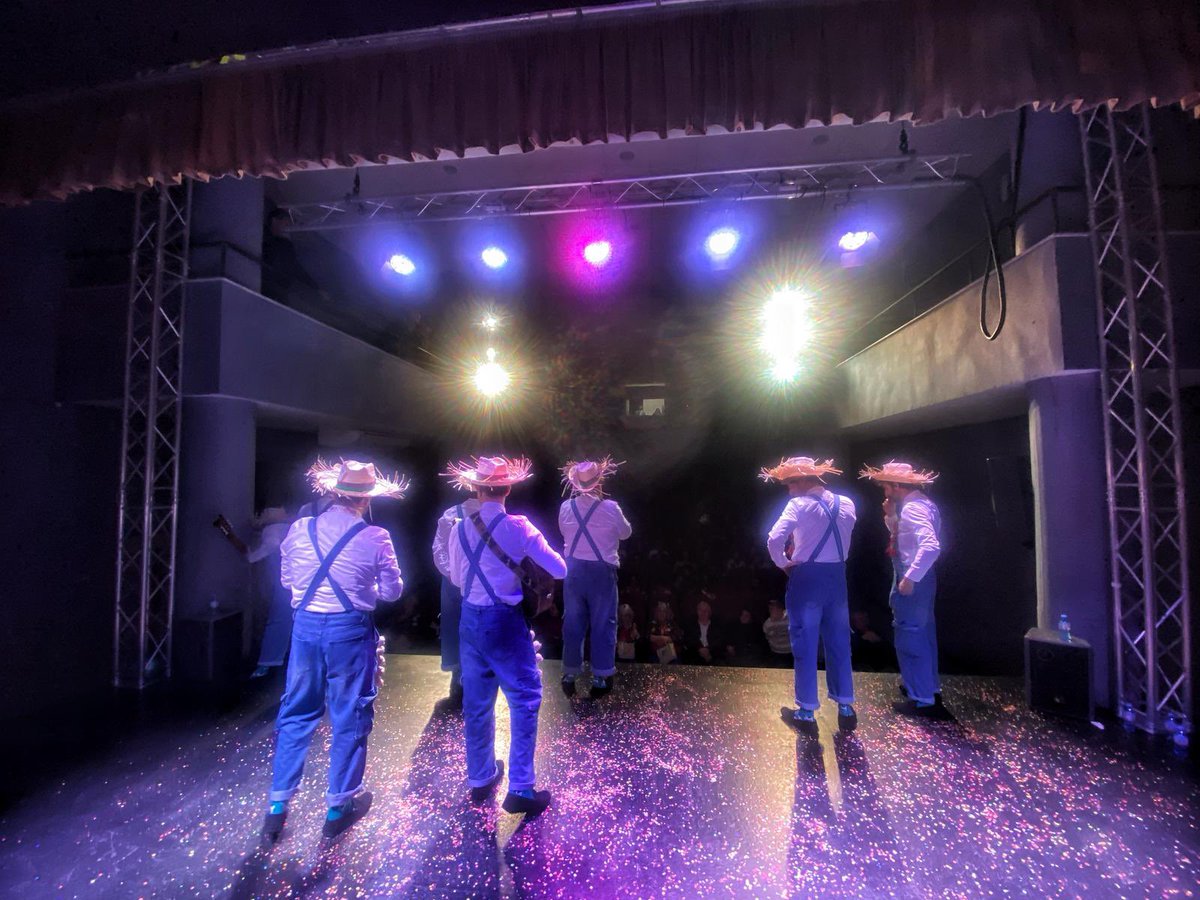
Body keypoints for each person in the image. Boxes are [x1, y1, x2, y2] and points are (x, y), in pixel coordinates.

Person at [261, 459, 407, 845]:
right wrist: (363, 592)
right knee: (350, 713)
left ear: (334, 491)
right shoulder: (376, 537)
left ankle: (277, 806)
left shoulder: (299, 528)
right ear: (367, 499)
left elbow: (287, 581)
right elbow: (392, 592)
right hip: (349, 630)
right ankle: (338, 806)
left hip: (306, 627)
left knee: (296, 712)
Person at [445, 456, 567, 816]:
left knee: (477, 702)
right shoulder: (519, 527)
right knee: (525, 698)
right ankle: (521, 788)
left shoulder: (458, 528)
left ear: (476, 489)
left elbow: (455, 577)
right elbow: (558, 568)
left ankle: (481, 778)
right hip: (504, 619)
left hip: (469, 620)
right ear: (508, 488)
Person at [763, 456, 858, 731]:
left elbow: (773, 539)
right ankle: (845, 705)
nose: (789, 489)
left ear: (805, 481)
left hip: (807, 578)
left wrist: (783, 564)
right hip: (838, 577)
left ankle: (806, 711)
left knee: (805, 642)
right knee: (839, 641)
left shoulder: (798, 504)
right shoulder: (848, 503)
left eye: (791, 483)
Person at [859, 461, 944, 717]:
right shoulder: (921, 504)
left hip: (913, 578)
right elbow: (903, 537)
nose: (883, 488)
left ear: (897, 485)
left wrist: (910, 578)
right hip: (921, 577)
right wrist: (891, 516)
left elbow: (930, 546)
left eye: (886, 484)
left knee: (910, 636)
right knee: (924, 634)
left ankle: (921, 699)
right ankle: (927, 688)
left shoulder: (914, 509)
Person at [558, 458, 633, 698]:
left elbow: (563, 531)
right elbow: (626, 533)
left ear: (576, 484)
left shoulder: (565, 508)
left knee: (572, 623)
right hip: (601, 573)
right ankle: (600, 677)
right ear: (599, 482)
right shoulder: (611, 508)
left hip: (573, 572)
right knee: (603, 624)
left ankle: (570, 674)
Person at [432, 496, 481, 705]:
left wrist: (452, 575)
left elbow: (438, 550)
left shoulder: (450, 514)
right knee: (473, 627)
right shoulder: (493, 515)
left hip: (456, 580)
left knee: (458, 627)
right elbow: (440, 549)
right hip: (479, 581)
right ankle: (466, 678)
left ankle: (461, 677)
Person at [248, 507, 294, 678]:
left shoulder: (274, 529)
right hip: (296, 577)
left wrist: (251, 555)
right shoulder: (287, 526)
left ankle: (268, 663)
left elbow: (267, 548)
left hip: (284, 579)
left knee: (279, 618)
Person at [682, 596, 723, 665]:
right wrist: (700, 649)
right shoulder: (691, 625)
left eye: (705, 611)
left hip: (712, 654)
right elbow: (688, 640)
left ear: (709, 613)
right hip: (696, 654)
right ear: (697, 611)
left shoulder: (716, 626)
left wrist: (708, 649)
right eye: (700, 610)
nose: (703, 613)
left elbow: (719, 641)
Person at [648, 600, 682, 664]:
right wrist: (663, 639)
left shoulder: (673, 624)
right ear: (656, 613)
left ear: (667, 613)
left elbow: (678, 636)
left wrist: (668, 639)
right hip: (655, 655)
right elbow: (648, 637)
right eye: (659, 611)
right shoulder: (652, 624)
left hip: (670, 654)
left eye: (664, 611)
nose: (661, 613)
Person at [762, 599, 793, 666]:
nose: (771, 611)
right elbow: (767, 637)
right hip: (776, 653)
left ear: (780, 609)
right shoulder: (767, 624)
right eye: (770, 609)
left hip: (791, 652)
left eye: (773, 609)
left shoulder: (791, 617)